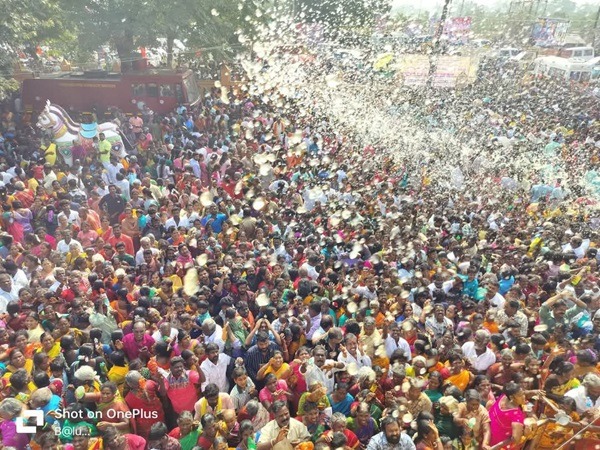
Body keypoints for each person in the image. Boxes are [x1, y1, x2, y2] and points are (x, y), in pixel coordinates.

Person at [488, 382, 526, 449]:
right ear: (511, 397)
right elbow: (516, 439)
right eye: (520, 395)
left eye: (523, 394)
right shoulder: (516, 415)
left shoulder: (504, 395)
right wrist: (496, 447)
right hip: (497, 443)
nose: (524, 397)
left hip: (487, 432)